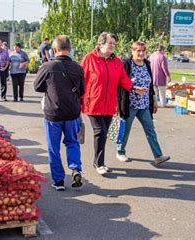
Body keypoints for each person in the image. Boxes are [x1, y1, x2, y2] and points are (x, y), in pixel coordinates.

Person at [81, 32, 147, 176]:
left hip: (110, 104)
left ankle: (97, 161)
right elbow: (81, 80)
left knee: (103, 134)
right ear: (100, 44)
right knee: (100, 132)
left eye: (114, 44)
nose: (113, 46)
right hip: (93, 103)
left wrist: (134, 88)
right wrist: (78, 101)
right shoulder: (89, 59)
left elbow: (123, 79)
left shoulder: (116, 62)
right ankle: (99, 164)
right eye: (110, 43)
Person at [34, 35, 84, 191]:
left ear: (54, 50)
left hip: (53, 114)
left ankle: (58, 181)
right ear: (70, 50)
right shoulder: (78, 68)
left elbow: (37, 87)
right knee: (72, 142)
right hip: (72, 113)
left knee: (53, 147)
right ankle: (76, 168)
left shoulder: (47, 67)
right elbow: (82, 90)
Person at [117, 41, 171, 165]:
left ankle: (158, 155)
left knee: (150, 129)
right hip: (129, 104)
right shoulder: (126, 64)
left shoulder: (147, 64)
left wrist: (154, 100)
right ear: (132, 51)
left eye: (143, 51)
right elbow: (120, 83)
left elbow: (150, 84)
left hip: (144, 104)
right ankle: (120, 152)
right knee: (125, 129)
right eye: (138, 51)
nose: (141, 53)